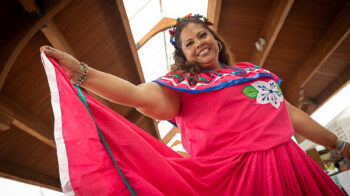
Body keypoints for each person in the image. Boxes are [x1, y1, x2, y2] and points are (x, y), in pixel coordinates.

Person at [40, 14, 350, 195]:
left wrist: (338, 144)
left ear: (215, 40)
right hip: (245, 181)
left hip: (296, 167)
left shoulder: (253, 72)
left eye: (202, 35)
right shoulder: (184, 85)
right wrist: (81, 71)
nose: (198, 42)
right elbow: (136, 96)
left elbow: (291, 114)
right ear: (184, 55)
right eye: (189, 43)